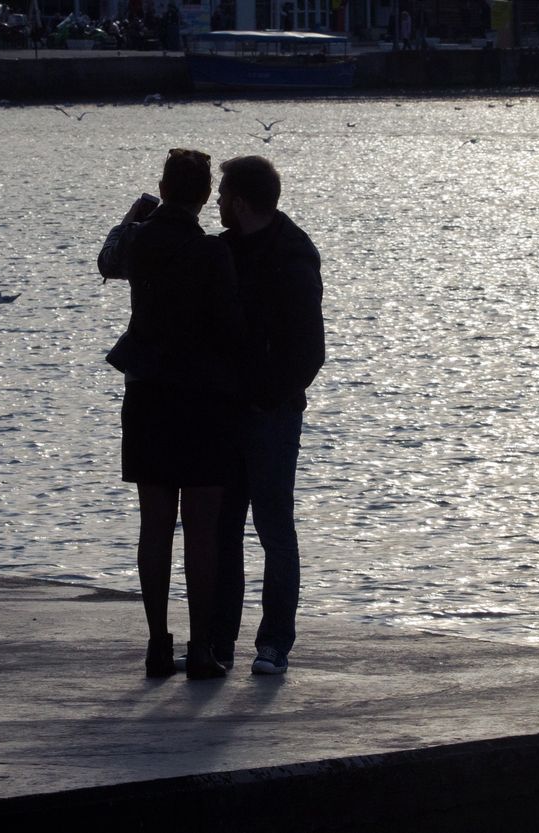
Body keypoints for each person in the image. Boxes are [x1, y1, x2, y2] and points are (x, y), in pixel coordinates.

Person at [97, 148, 246, 681]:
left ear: (162, 188)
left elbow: (105, 263)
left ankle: (157, 642)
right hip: (204, 400)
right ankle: (201, 646)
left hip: (149, 395)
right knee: (201, 529)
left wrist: (131, 219)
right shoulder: (212, 254)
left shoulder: (140, 242)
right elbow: (230, 329)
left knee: (154, 525)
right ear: (206, 195)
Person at [209, 155, 325, 676]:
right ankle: (219, 640)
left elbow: (309, 352)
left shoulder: (293, 255)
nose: (216, 202)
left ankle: (275, 642)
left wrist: (266, 396)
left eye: (222, 194)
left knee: (274, 527)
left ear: (238, 201)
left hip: (270, 413)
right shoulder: (225, 249)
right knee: (223, 526)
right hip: (226, 409)